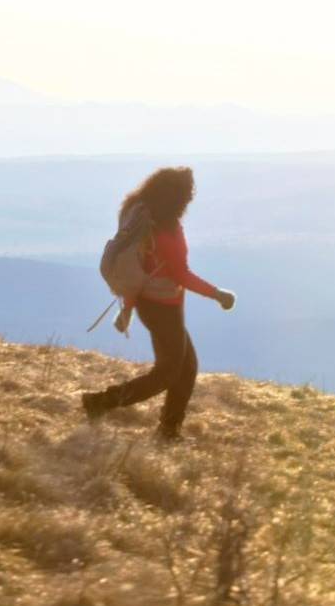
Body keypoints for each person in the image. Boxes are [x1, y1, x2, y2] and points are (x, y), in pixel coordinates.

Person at [81, 166, 234, 442]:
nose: (188, 201)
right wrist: (218, 294)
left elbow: (138, 269)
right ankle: (102, 402)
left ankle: (169, 429)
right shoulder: (168, 231)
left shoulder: (139, 217)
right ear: (175, 197)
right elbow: (181, 275)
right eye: (187, 196)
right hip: (165, 308)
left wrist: (127, 307)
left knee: (186, 368)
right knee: (167, 373)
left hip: (148, 306)